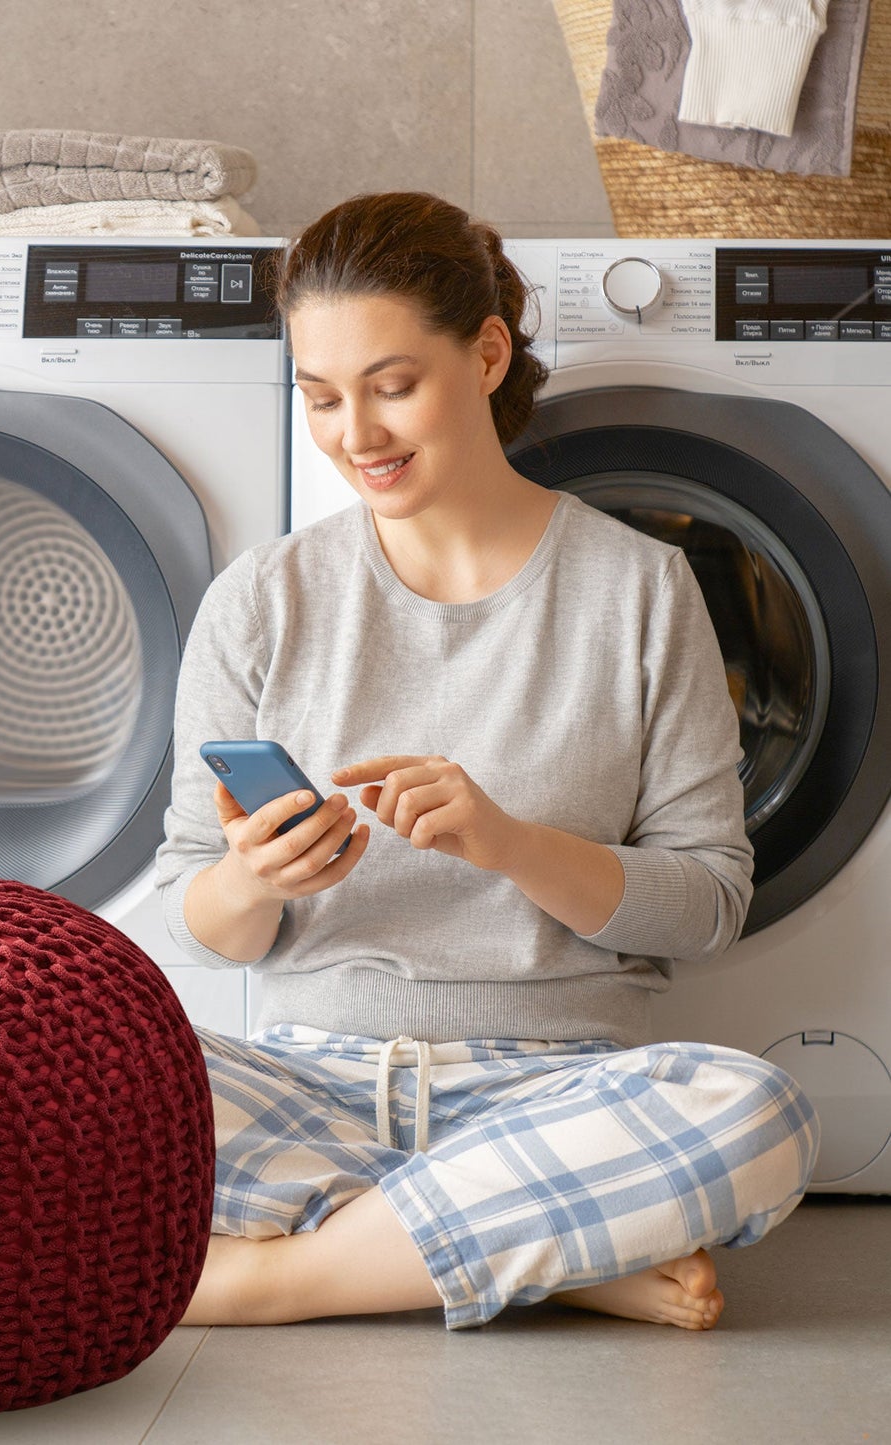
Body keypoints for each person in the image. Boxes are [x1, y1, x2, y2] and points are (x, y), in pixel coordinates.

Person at [152, 191, 820, 1333]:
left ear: (487, 351)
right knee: (41, 1072)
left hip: (553, 1088)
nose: (353, 433)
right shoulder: (261, 600)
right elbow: (186, 912)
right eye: (319, 396)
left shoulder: (638, 592)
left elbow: (707, 901)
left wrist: (508, 844)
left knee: (752, 1111)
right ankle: (545, 1249)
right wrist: (254, 878)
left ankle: (277, 1275)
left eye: (390, 384)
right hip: (307, 1080)